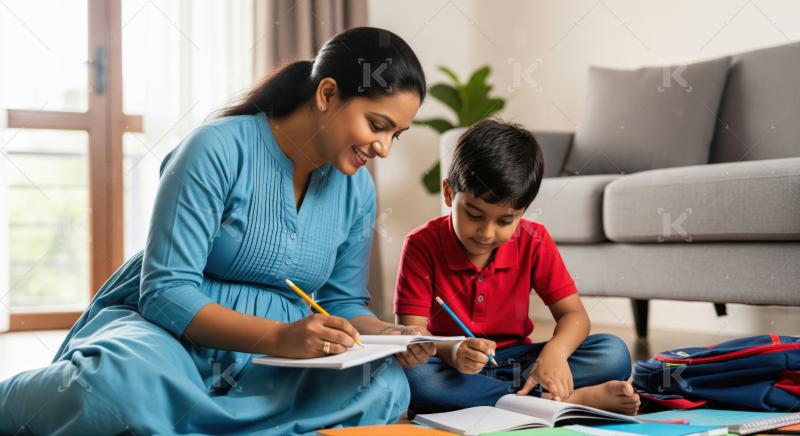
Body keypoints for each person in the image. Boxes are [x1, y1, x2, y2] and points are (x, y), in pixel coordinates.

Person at [0, 27, 435, 435]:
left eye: (396, 134)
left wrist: (390, 335)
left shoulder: (357, 189)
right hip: (169, 334)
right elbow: (166, 292)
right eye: (377, 125)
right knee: (121, 389)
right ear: (327, 94)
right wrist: (280, 337)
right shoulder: (215, 148)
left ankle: (185, 420)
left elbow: (340, 302)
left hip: (276, 355)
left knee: (385, 385)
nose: (382, 148)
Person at [395, 119, 640, 416]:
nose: (486, 233)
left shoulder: (534, 240)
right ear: (448, 194)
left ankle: (509, 399)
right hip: (453, 367)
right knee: (414, 377)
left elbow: (574, 316)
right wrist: (454, 350)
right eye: (474, 215)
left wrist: (555, 354)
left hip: (521, 363)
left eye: (504, 221)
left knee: (613, 353)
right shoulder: (422, 244)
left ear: (522, 212)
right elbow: (414, 336)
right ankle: (561, 401)